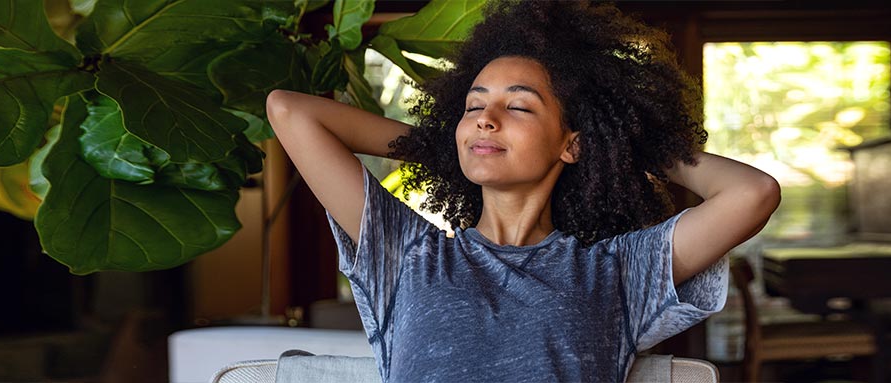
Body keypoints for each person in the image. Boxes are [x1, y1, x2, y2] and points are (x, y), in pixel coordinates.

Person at [265, 1, 779, 381]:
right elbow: (289, 110)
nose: (485, 120)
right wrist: (448, 146)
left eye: (518, 107)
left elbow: (752, 192)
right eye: (472, 106)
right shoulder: (405, 254)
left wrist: (616, 144)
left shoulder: (618, 272)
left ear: (570, 144)